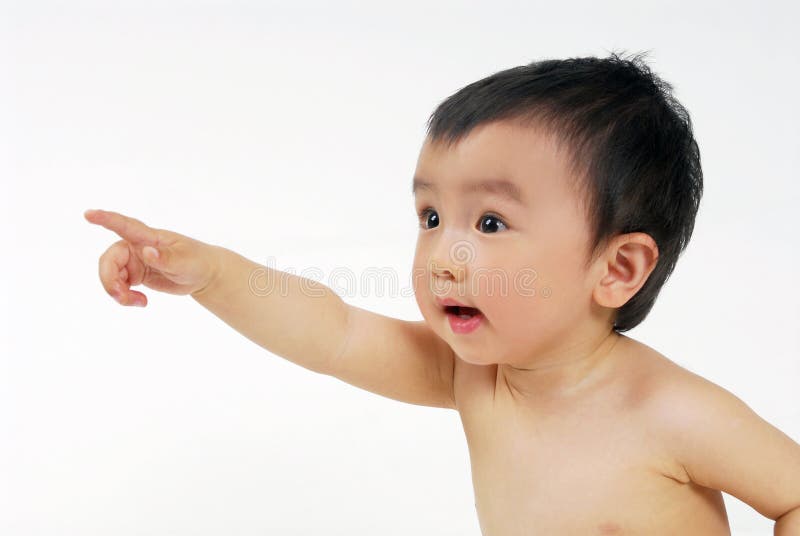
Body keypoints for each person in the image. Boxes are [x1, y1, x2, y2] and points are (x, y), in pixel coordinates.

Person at [84, 51, 800, 535]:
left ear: (615, 270)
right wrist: (211, 273)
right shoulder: (475, 378)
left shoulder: (672, 413)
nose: (441, 257)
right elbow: (332, 332)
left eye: (489, 222)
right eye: (431, 217)